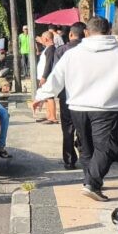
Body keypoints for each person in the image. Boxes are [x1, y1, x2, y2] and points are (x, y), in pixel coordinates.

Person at [33, 16, 118, 202]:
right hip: (106, 108)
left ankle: (91, 181)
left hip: (77, 108)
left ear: (86, 32)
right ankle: (92, 183)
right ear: (109, 31)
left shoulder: (72, 54)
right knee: (107, 147)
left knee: (87, 149)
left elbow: (56, 79)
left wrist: (40, 96)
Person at [52, 22, 86, 169]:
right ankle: (85, 155)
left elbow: (56, 75)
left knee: (68, 129)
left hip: (66, 95)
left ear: (71, 34)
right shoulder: (88, 50)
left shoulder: (61, 51)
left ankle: (69, 160)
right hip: (85, 94)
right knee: (84, 128)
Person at [36, 31, 58, 124]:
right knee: (46, 96)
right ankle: (48, 115)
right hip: (44, 76)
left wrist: (44, 77)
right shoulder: (48, 48)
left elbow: (48, 64)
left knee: (49, 96)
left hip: (47, 76)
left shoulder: (51, 49)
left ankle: (53, 117)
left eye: (42, 38)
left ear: (46, 39)